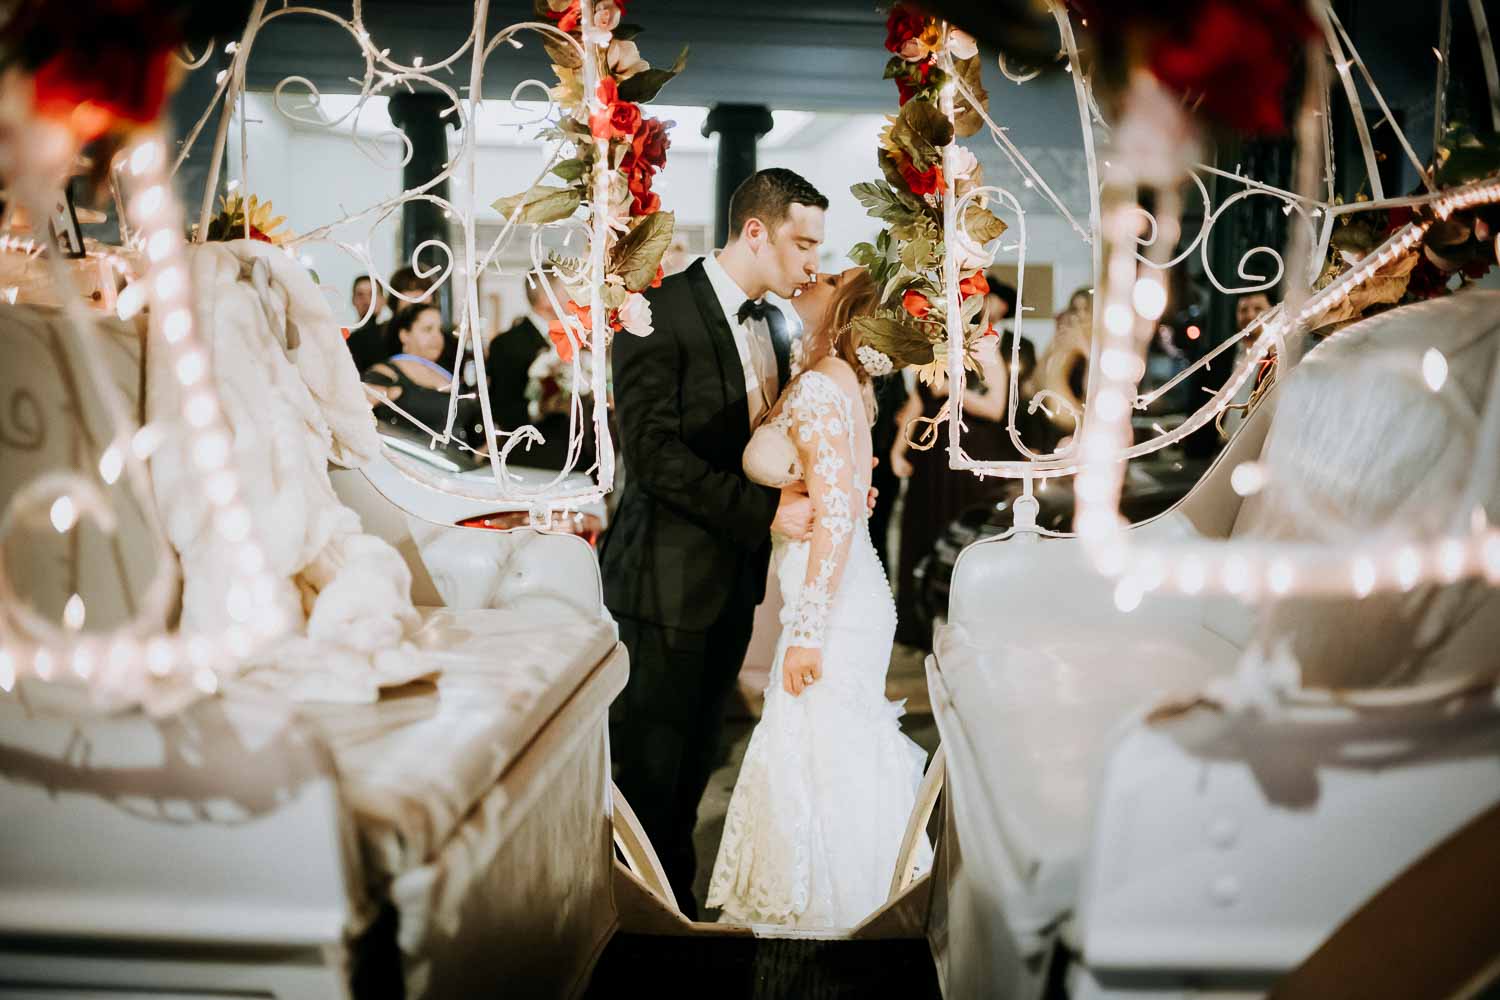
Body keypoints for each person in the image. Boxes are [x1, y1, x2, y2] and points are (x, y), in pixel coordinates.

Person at [600, 168, 829, 919]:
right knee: (650, 773)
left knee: (700, 760)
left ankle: (677, 914)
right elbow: (655, 457)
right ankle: (637, 925)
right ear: (754, 232)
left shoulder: (776, 325)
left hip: (730, 584)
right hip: (663, 586)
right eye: (802, 243)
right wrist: (764, 512)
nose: (811, 263)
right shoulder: (653, 315)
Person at [706, 267, 931, 928]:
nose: (814, 273)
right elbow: (848, 495)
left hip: (831, 604)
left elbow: (836, 516)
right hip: (840, 589)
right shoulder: (837, 379)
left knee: (821, 755)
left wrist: (805, 630)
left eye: (830, 275)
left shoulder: (821, 381)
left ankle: (831, 925)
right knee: (827, 753)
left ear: (847, 308)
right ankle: (854, 912)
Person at [889, 284, 1015, 649]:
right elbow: (916, 404)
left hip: (969, 458)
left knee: (959, 536)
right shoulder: (931, 355)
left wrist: (954, 394)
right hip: (931, 459)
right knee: (924, 531)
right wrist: (900, 450)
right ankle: (920, 626)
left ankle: (966, 622)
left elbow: (994, 406)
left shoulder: (986, 351)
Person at [485, 271, 596, 471]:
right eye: (567, 291)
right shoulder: (507, 344)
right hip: (535, 458)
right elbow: (502, 409)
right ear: (546, 297)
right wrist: (543, 408)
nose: (575, 297)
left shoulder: (577, 339)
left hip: (581, 453)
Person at [361, 302, 485, 451]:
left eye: (439, 330)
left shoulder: (447, 372)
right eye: (427, 330)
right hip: (413, 468)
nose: (437, 337)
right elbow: (352, 413)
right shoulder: (386, 372)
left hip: (460, 467)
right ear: (404, 335)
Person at [344, 274, 389, 372]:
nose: (367, 301)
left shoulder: (392, 336)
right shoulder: (345, 339)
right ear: (353, 300)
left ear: (383, 300)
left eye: (372, 294)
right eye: (360, 295)